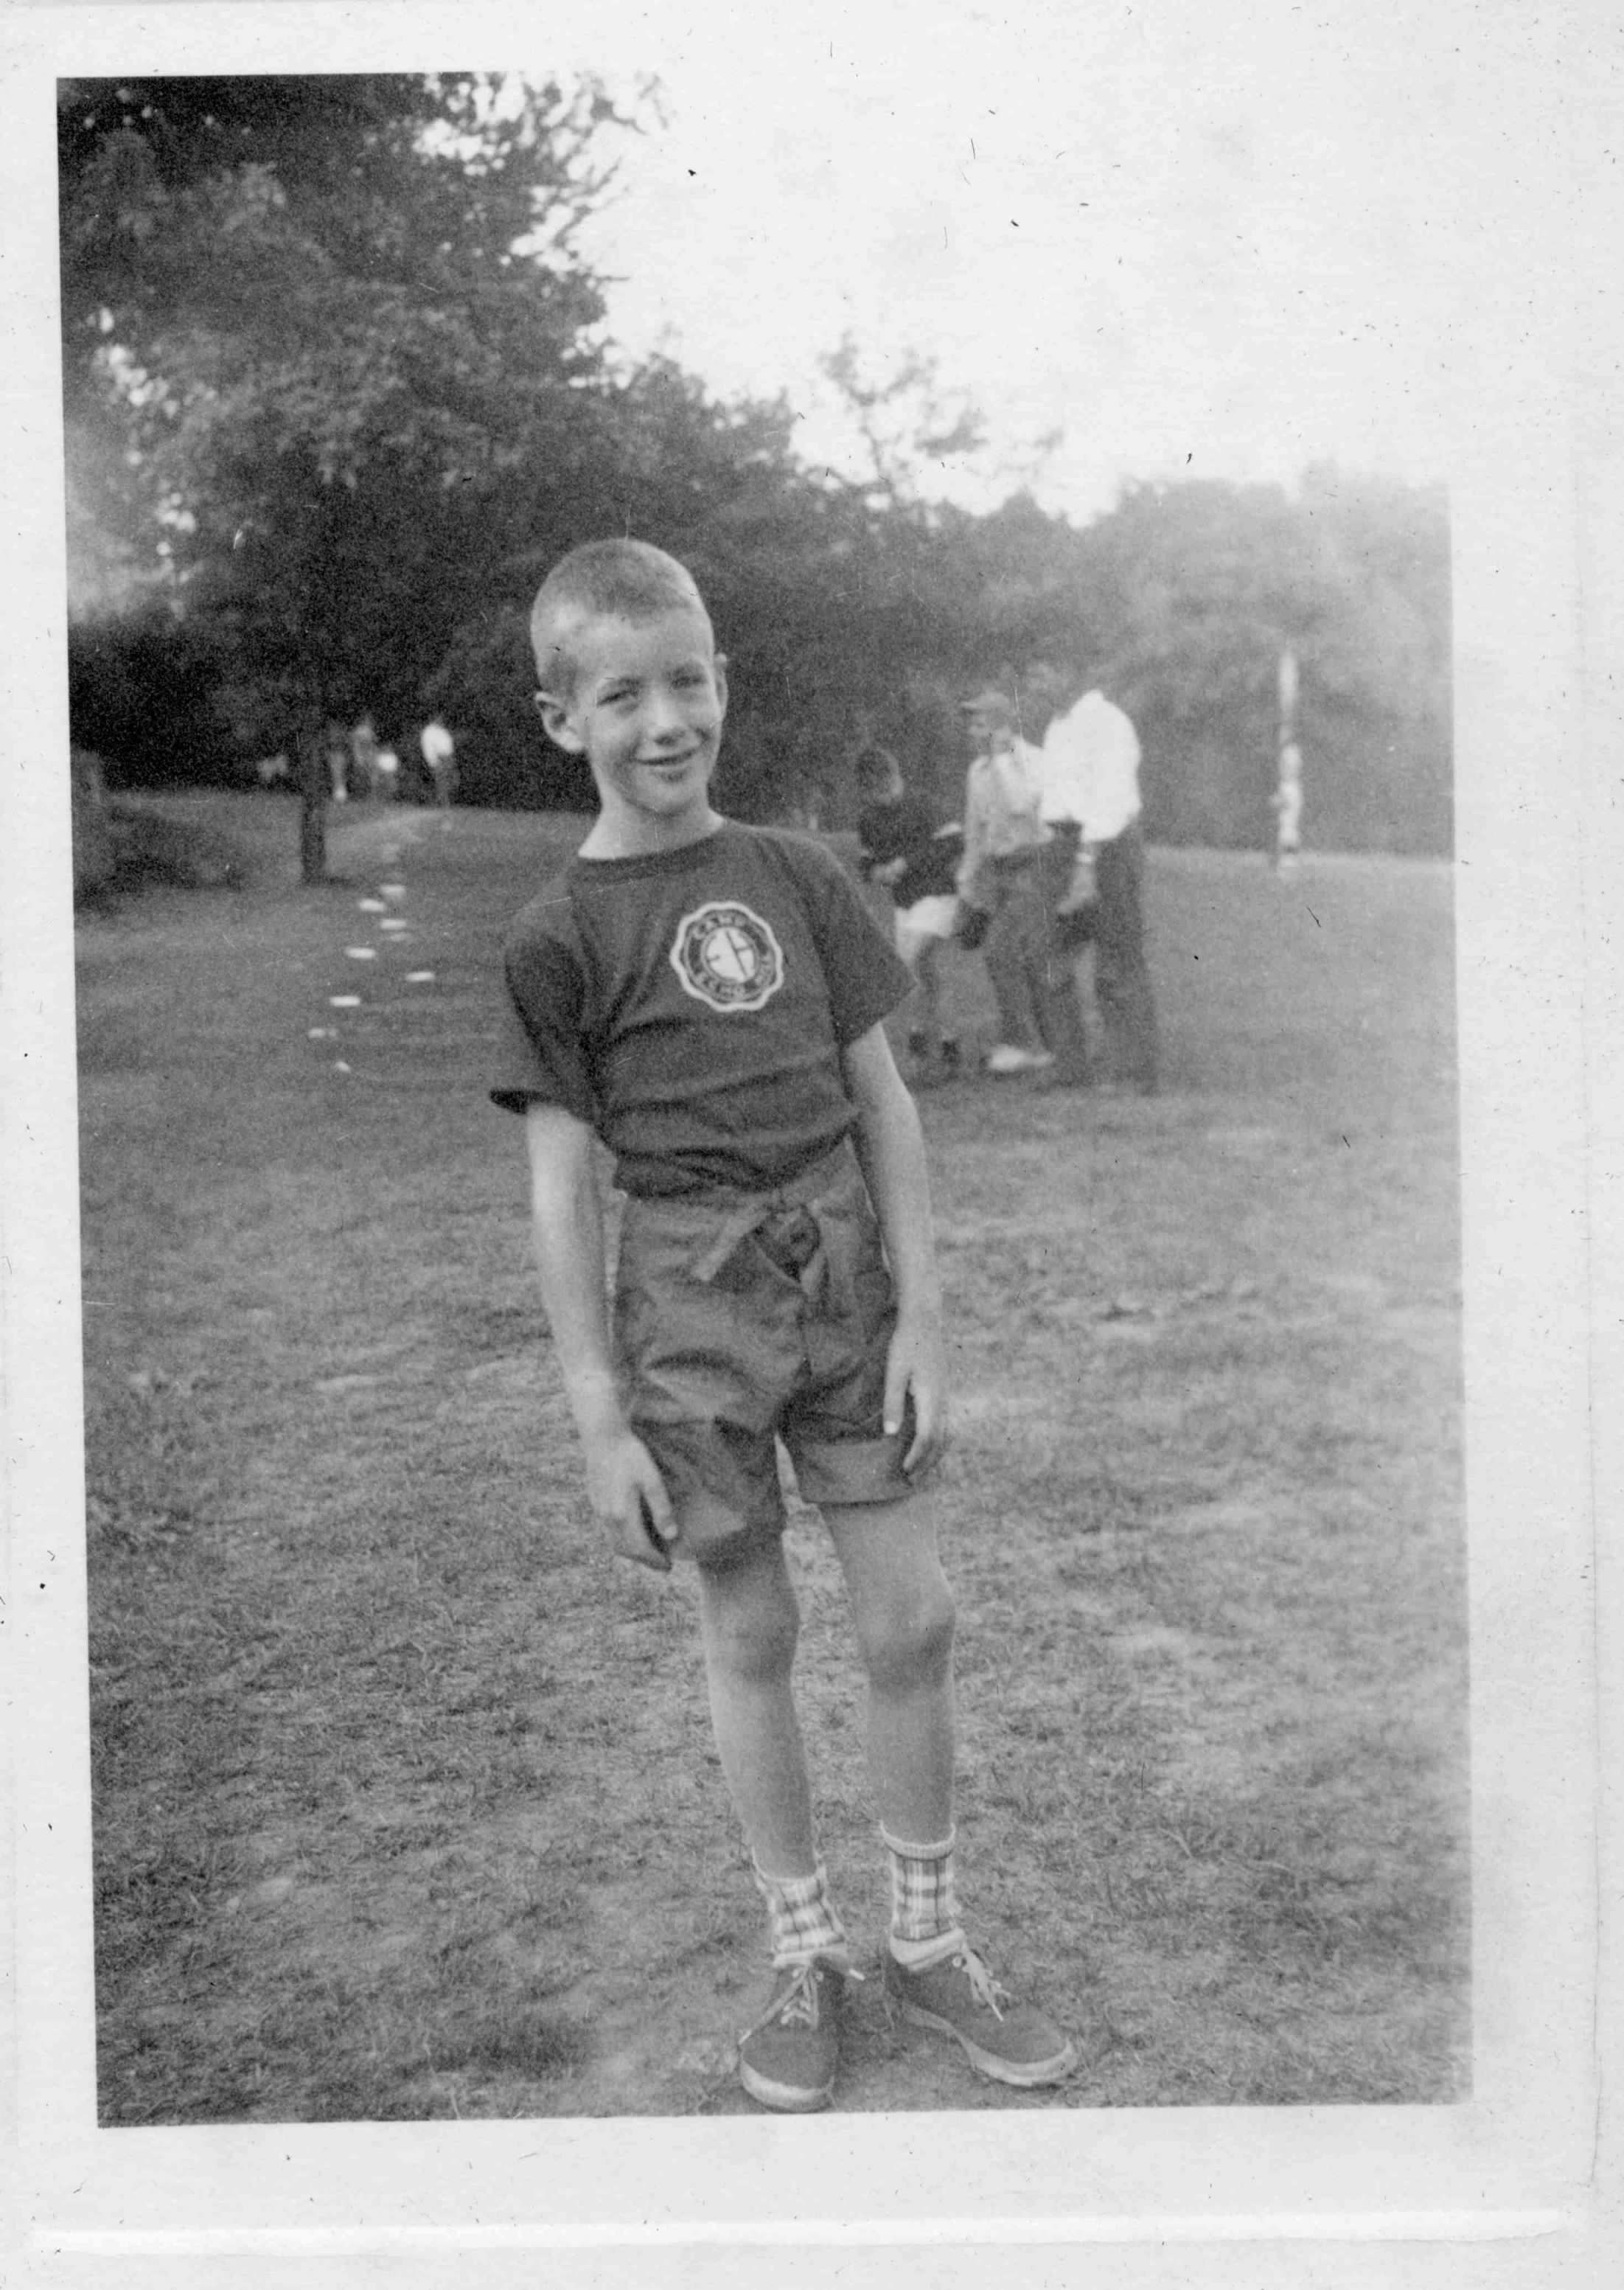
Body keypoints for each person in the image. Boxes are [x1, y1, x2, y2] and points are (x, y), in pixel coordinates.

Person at [491, 540, 1076, 2112]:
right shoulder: (556, 936)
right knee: (749, 1631)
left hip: (842, 1277)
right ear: (561, 719)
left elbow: (887, 1105)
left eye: (688, 682)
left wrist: (923, 1317)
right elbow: (560, 1194)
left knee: (913, 1619)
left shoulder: (802, 875)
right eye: (623, 694)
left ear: (723, 684)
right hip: (686, 1303)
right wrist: (598, 1417)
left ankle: (928, 1940)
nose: (664, 721)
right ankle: (804, 1951)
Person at [955, 689, 1090, 1085]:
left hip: (1036, 865)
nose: (972, 731)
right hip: (1001, 871)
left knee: (1021, 953)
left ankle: (1036, 1045)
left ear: (1002, 727)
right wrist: (967, 882)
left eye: (980, 723)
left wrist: (1003, 759)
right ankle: (1037, 1043)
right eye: (971, 723)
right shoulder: (976, 772)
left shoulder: (1033, 760)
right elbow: (975, 831)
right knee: (1009, 955)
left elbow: (1019, 805)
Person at [1035, 676, 1160, 1096]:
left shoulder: (1107, 721)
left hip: (1108, 847)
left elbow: (1111, 801)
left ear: (1069, 671)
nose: (1037, 682)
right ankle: (1069, 1064)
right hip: (1061, 843)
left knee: (1116, 959)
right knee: (1051, 957)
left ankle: (1132, 1071)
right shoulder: (1056, 726)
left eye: (1043, 671)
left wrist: (1086, 865)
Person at [854, 744, 963, 1083]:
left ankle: (918, 1045)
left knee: (907, 962)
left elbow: (953, 842)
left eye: (886, 786)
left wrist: (907, 863)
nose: (883, 796)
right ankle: (947, 1048)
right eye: (874, 792)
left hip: (938, 896)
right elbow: (866, 862)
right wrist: (877, 872)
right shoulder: (869, 819)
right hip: (905, 904)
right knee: (928, 977)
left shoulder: (924, 805)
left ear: (895, 775)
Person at [420, 716, 458, 809]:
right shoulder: (429, 731)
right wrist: (433, 761)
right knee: (441, 782)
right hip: (438, 758)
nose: (441, 720)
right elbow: (428, 747)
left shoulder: (443, 731)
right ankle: (443, 804)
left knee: (452, 780)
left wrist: (451, 758)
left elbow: (448, 745)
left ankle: (444, 801)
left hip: (448, 757)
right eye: (438, 718)